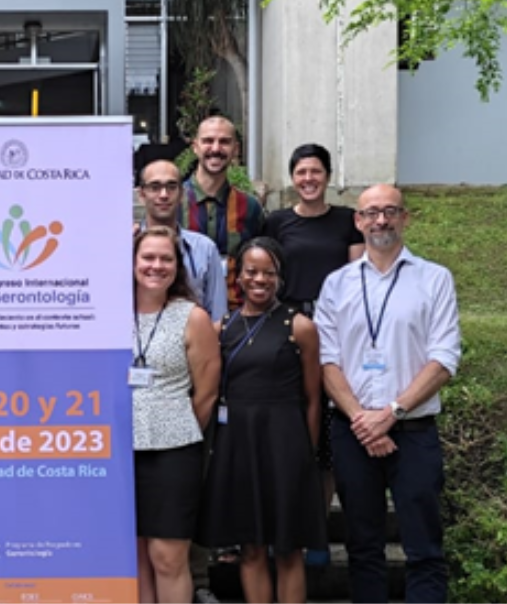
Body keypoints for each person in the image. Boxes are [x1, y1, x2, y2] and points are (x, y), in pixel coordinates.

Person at [314, 184, 461, 603]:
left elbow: (444, 358)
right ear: (358, 221)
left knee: (424, 549)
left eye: (390, 211)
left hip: (413, 431)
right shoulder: (336, 284)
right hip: (352, 432)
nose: (381, 220)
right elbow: (326, 360)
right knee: (363, 548)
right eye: (372, 213)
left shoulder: (434, 279)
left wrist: (391, 412)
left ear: (405, 218)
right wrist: (364, 419)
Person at [197, 237, 327, 603]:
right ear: (238, 276)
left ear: (280, 276)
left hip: (285, 444)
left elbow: (313, 397)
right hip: (238, 445)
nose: (260, 280)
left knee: (288, 549)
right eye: (252, 271)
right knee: (250, 547)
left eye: (269, 273)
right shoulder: (221, 328)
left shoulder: (299, 326)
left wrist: (307, 454)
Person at [262, 143, 365, 565]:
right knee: (288, 430)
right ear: (292, 177)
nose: (308, 179)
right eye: (301, 172)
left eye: (316, 171)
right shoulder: (276, 221)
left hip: (334, 329)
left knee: (326, 439)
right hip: (287, 328)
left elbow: (358, 280)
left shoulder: (347, 221)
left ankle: (318, 530)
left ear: (328, 175)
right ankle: (283, 527)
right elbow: (266, 276)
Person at [131, 226, 220, 603]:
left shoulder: (192, 317)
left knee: (167, 557)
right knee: (135, 557)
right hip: (118, 452)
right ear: (132, 262)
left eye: (166, 258)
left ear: (177, 266)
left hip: (174, 452)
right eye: (147, 257)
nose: (156, 266)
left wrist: (175, 426)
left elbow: (207, 392)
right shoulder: (107, 313)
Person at [180, 115, 266, 313]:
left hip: (235, 316)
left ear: (236, 149)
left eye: (224, 142)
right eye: (208, 141)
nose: (216, 148)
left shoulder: (250, 207)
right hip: (184, 317)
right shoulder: (173, 203)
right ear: (195, 147)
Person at [136, 159, 228, 323]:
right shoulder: (126, 247)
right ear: (142, 195)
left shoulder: (205, 249)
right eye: (155, 187)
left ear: (182, 194)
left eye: (171, 187)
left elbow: (217, 318)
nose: (164, 195)